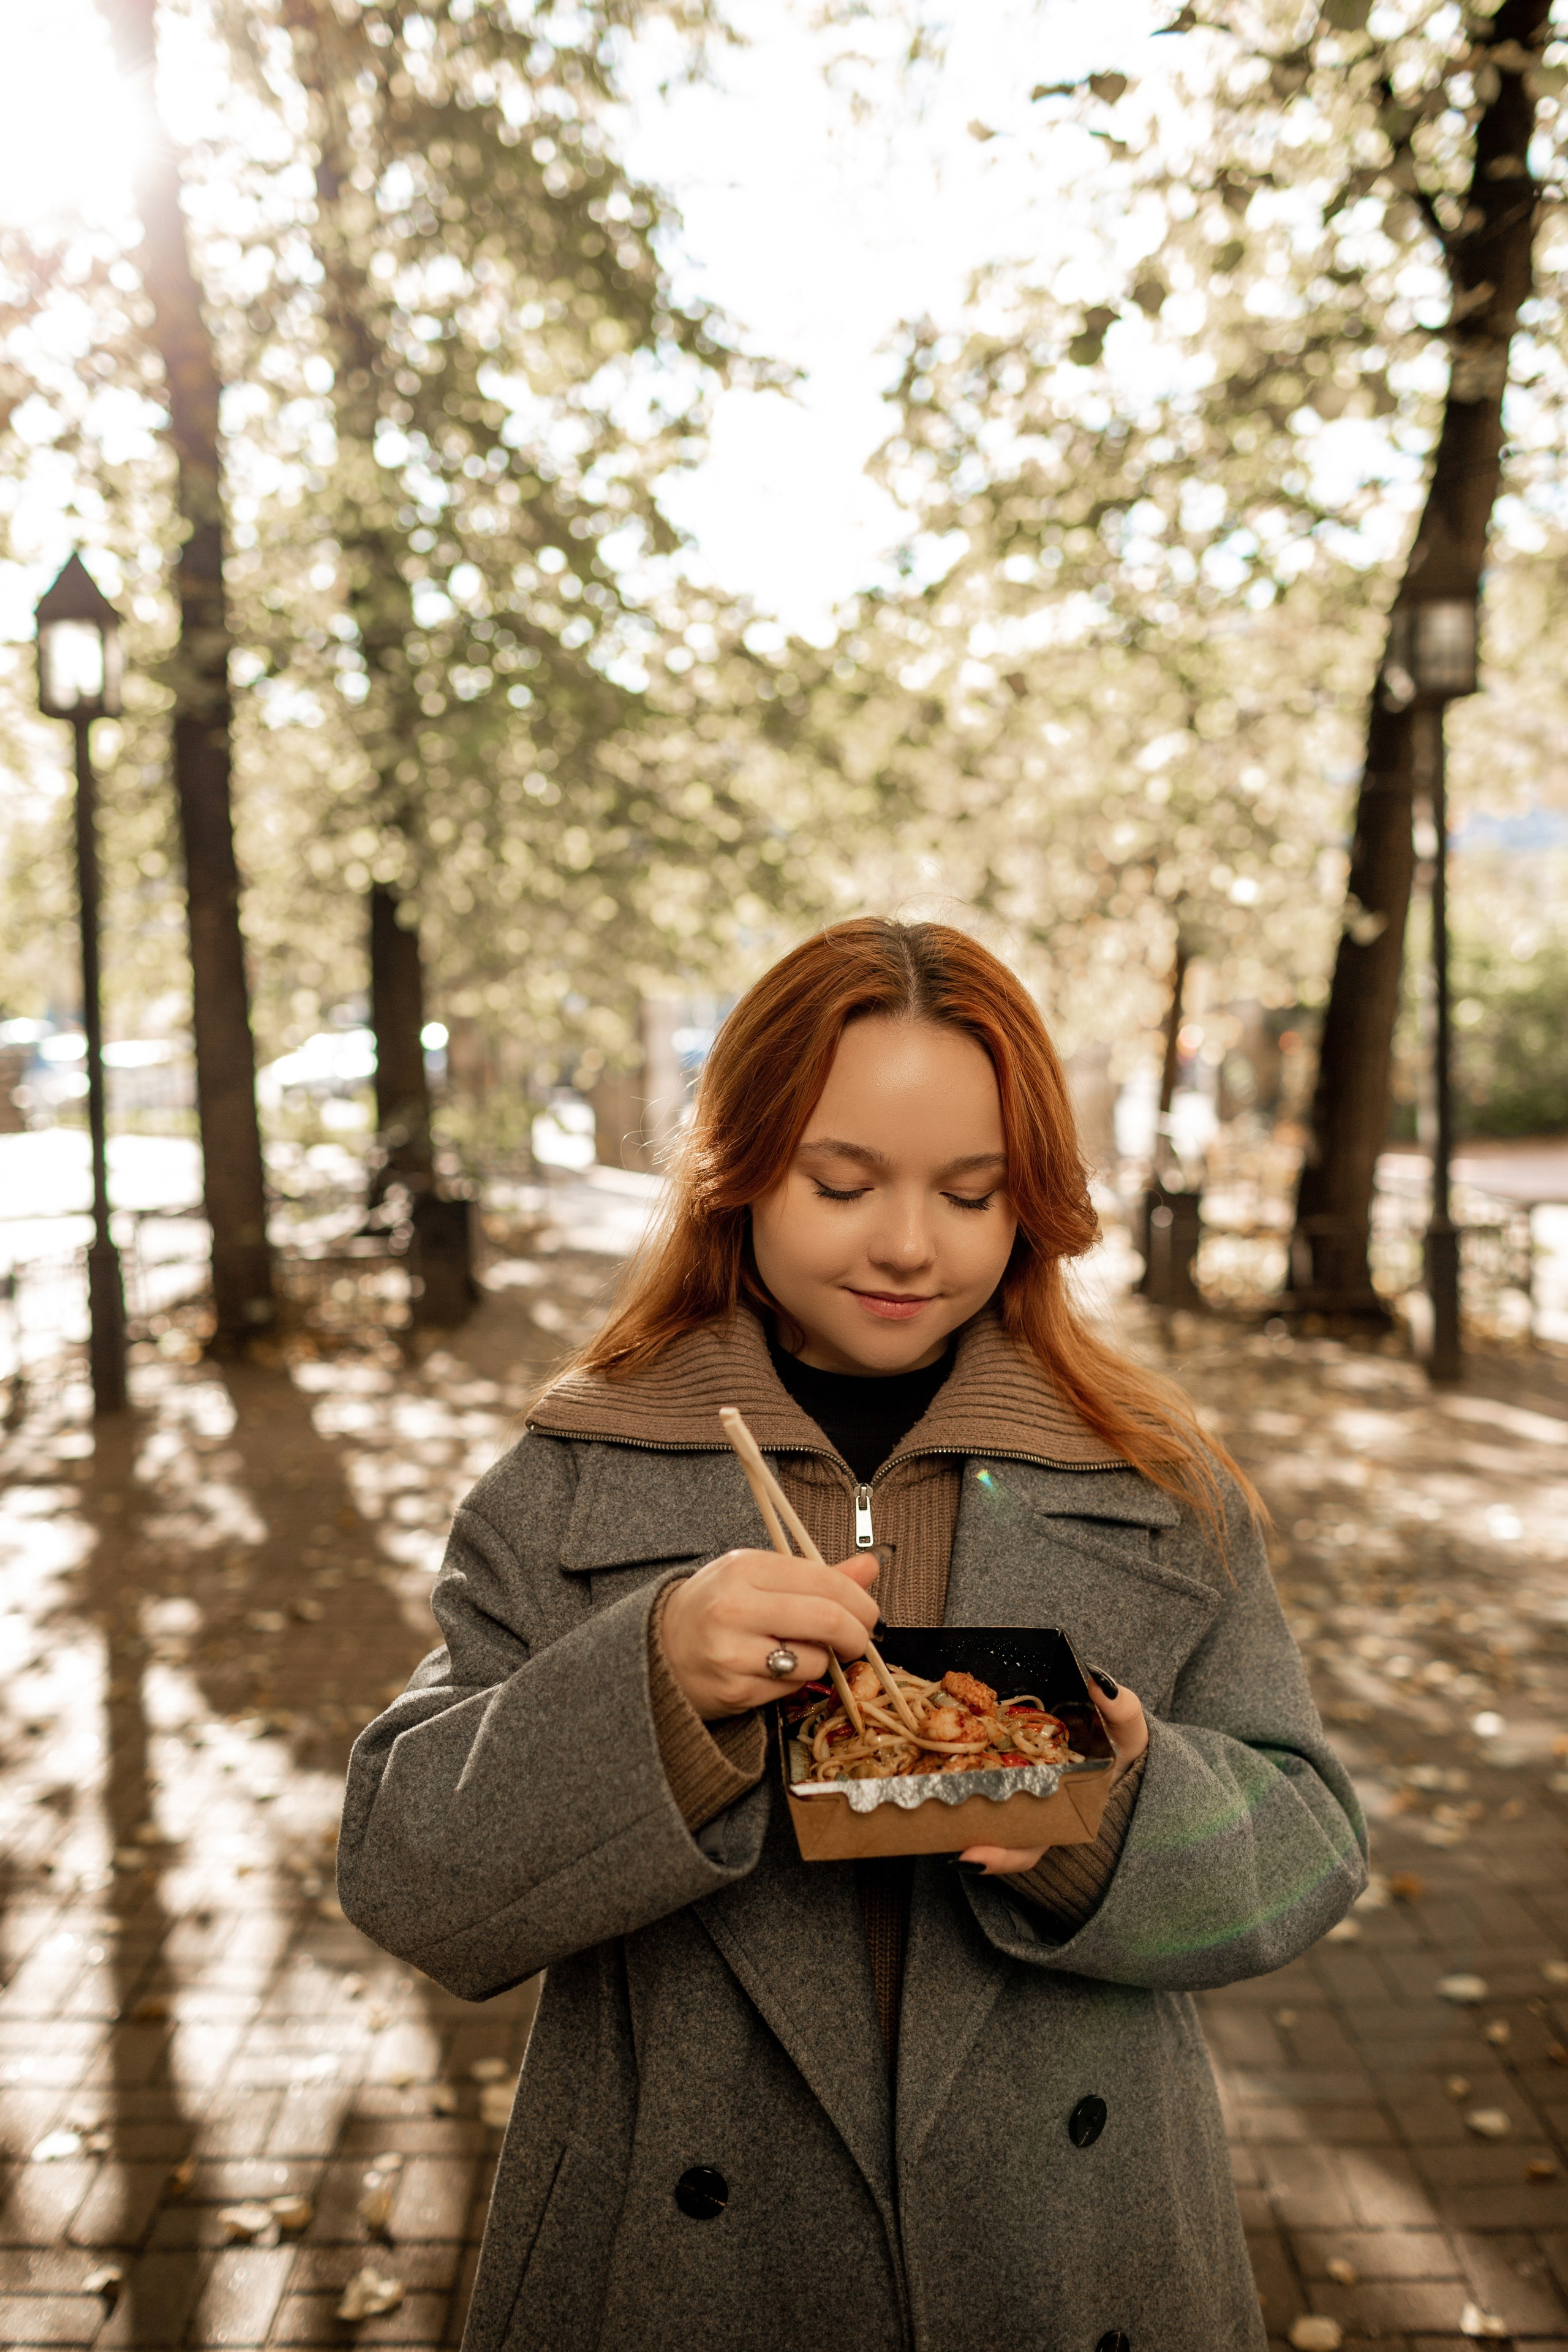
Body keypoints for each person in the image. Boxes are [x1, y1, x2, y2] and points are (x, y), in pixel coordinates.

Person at [339, 918, 1366, 2352]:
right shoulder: (569, 1482)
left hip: (1075, 2261)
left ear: (1032, 1205)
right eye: (841, 1181)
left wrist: (1115, 1819)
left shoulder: (1151, 1483)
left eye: (969, 1191)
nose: (905, 1243)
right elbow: (407, 1878)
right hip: (672, 2264)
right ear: (741, 1167)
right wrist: (648, 1691)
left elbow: (1309, 1847)